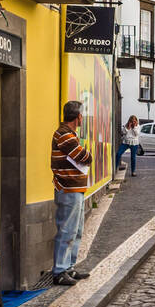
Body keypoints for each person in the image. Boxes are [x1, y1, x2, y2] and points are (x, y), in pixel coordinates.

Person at [50, 101, 92, 286]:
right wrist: (87, 155)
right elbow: (83, 156)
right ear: (78, 117)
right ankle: (60, 270)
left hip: (75, 188)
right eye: (82, 115)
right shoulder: (64, 135)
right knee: (67, 230)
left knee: (76, 231)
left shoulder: (68, 134)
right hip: (68, 188)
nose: (83, 118)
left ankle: (69, 267)